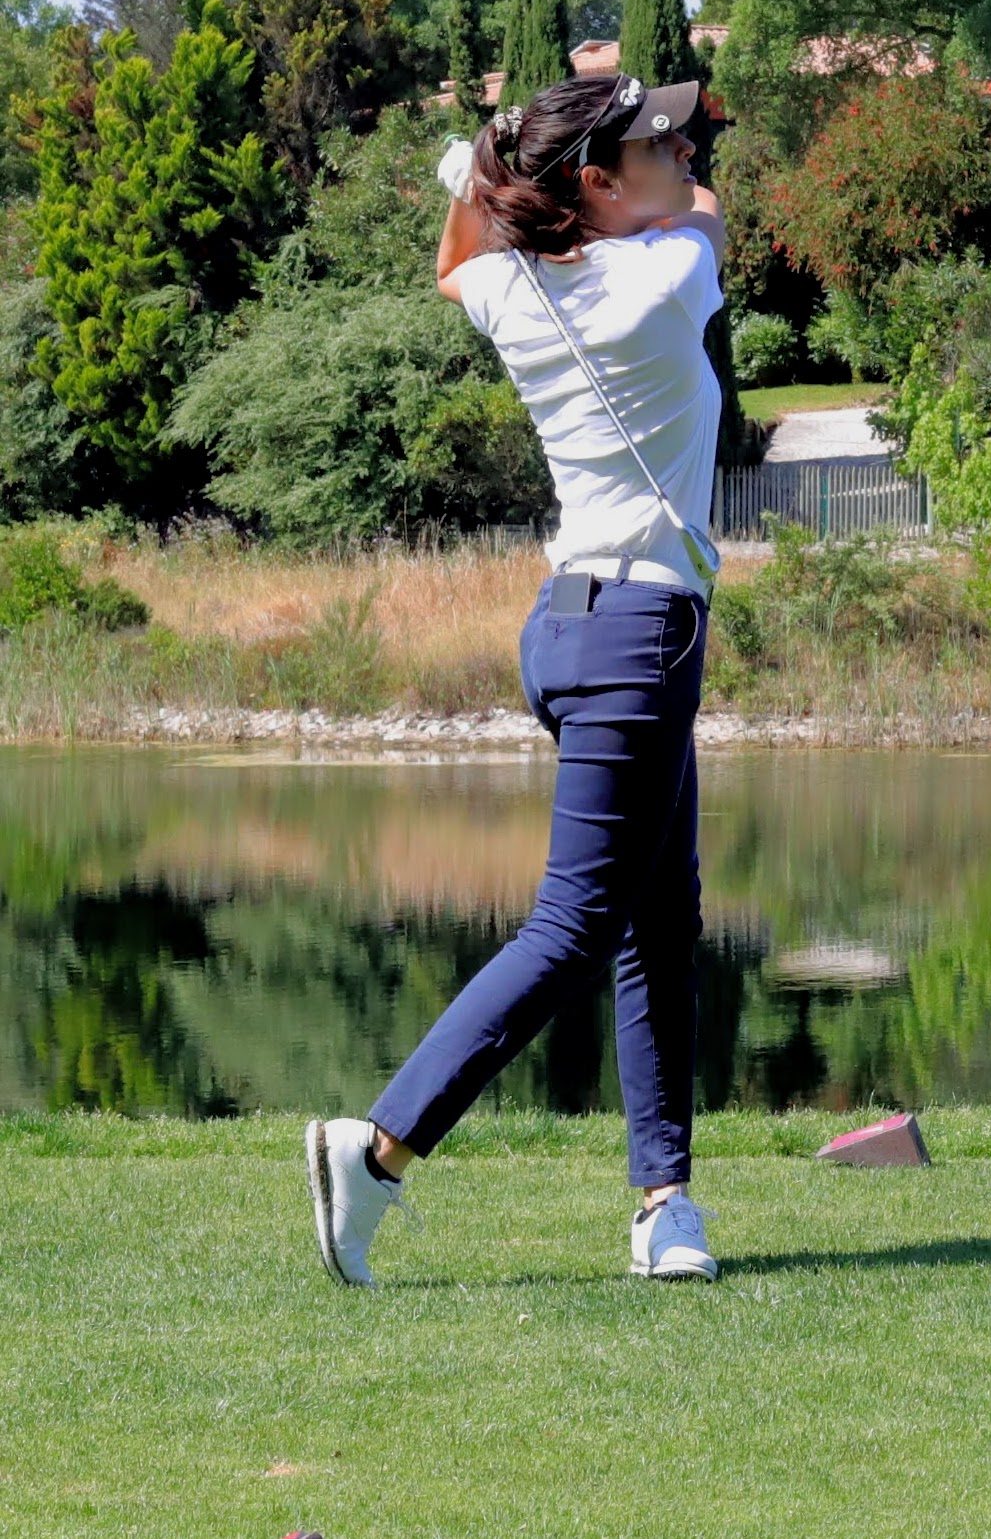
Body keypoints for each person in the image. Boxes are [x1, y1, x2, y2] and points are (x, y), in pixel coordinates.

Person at [305, 70, 727, 1287]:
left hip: (574, 627)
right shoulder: (662, 275)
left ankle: (664, 1205)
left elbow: (458, 261)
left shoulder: (513, 286)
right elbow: (712, 216)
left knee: (658, 917)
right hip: (637, 635)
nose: (684, 155)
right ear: (596, 181)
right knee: (580, 922)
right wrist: (501, 176)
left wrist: (488, 178)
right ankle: (377, 1148)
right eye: (658, 145)